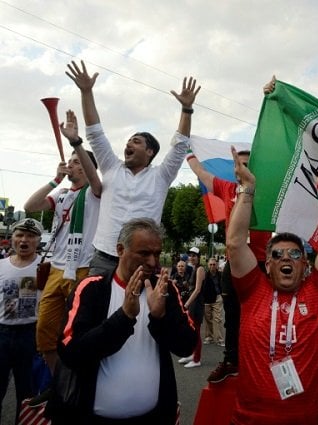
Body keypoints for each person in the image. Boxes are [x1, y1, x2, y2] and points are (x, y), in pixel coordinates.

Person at [226, 146, 318, 425]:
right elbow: (234, 243)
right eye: (277, 255)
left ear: (305, 264)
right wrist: (247, 189)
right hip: (249, 419)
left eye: (294, 254)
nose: (285, 259)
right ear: (267, 265)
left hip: (306, 418)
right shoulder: (252, 289)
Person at [46, 218, 198, 424]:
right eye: (144, 253)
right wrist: (124, 317)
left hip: (153, 417)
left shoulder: (165, 289)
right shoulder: (92, 288)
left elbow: (187, 346)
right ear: (120, 250)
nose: (153, 262)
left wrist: (159, 317)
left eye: (157, 254)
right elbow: (71, 352)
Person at [65, 60, 200, 275]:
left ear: (150, 153)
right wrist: (86, 92)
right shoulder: (111, 167)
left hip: (142, 262)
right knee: (95, 307)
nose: (128, 144)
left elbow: (180, 144)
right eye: (128, 141)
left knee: (138, 308)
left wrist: (186, 109)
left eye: (136, 141)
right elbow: (94, 133)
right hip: (104, 258)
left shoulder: (161, 176)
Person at [24, 110, 102, 382]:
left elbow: (95, 180)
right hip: (57, 269)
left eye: (76, 162)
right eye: (68, 162)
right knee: (45, 331)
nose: (71, 165)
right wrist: (55, 179)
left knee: (78, 332)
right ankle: (58, 384)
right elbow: (29, 206)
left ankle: (79, 382)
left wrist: (76, 142)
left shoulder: (94, 192)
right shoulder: (61, 193)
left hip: (82, 268)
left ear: (86, 166)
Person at [186, 144, 271, 383]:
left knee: (260, 318)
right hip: (232, 265)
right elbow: (201, 173)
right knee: (231, 316)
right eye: (238, 164)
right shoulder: (227, 188)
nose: (241, 168)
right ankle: (231, 361)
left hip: (260, 265)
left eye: (247, 164)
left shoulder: (267, 191)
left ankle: (261, 362)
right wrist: (187, 150)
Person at [0, 218, 43, 423]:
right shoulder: (1, 266)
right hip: (1, 335)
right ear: (13, 239)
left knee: (27, 395)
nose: (24, 240)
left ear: (38, 240)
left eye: (30, 236)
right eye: (19, 235)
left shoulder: (46, 267)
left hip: (31, 336)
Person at [178, 247, 205, 368]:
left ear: (199, 257)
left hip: (196, 304)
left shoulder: (200, 269)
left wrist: (187, 303)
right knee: (191, 331)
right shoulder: (194, 269)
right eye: (190, 255)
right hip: (193, 303)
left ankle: (197, 359)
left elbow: (198, 289)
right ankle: (192, 354)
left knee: (196, 332)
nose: (192, 258)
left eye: (194, 255)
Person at [202, 256, 225, 346]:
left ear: (217, 265)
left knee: (218, 318)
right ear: (208, 265)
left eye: (214, 264)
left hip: (217, 297)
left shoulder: (220, 274)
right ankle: (209, 337)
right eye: (210, 264)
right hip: (207, 299)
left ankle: (219, 339)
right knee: (208, 319)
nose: (212, 266)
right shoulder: (205, 275)